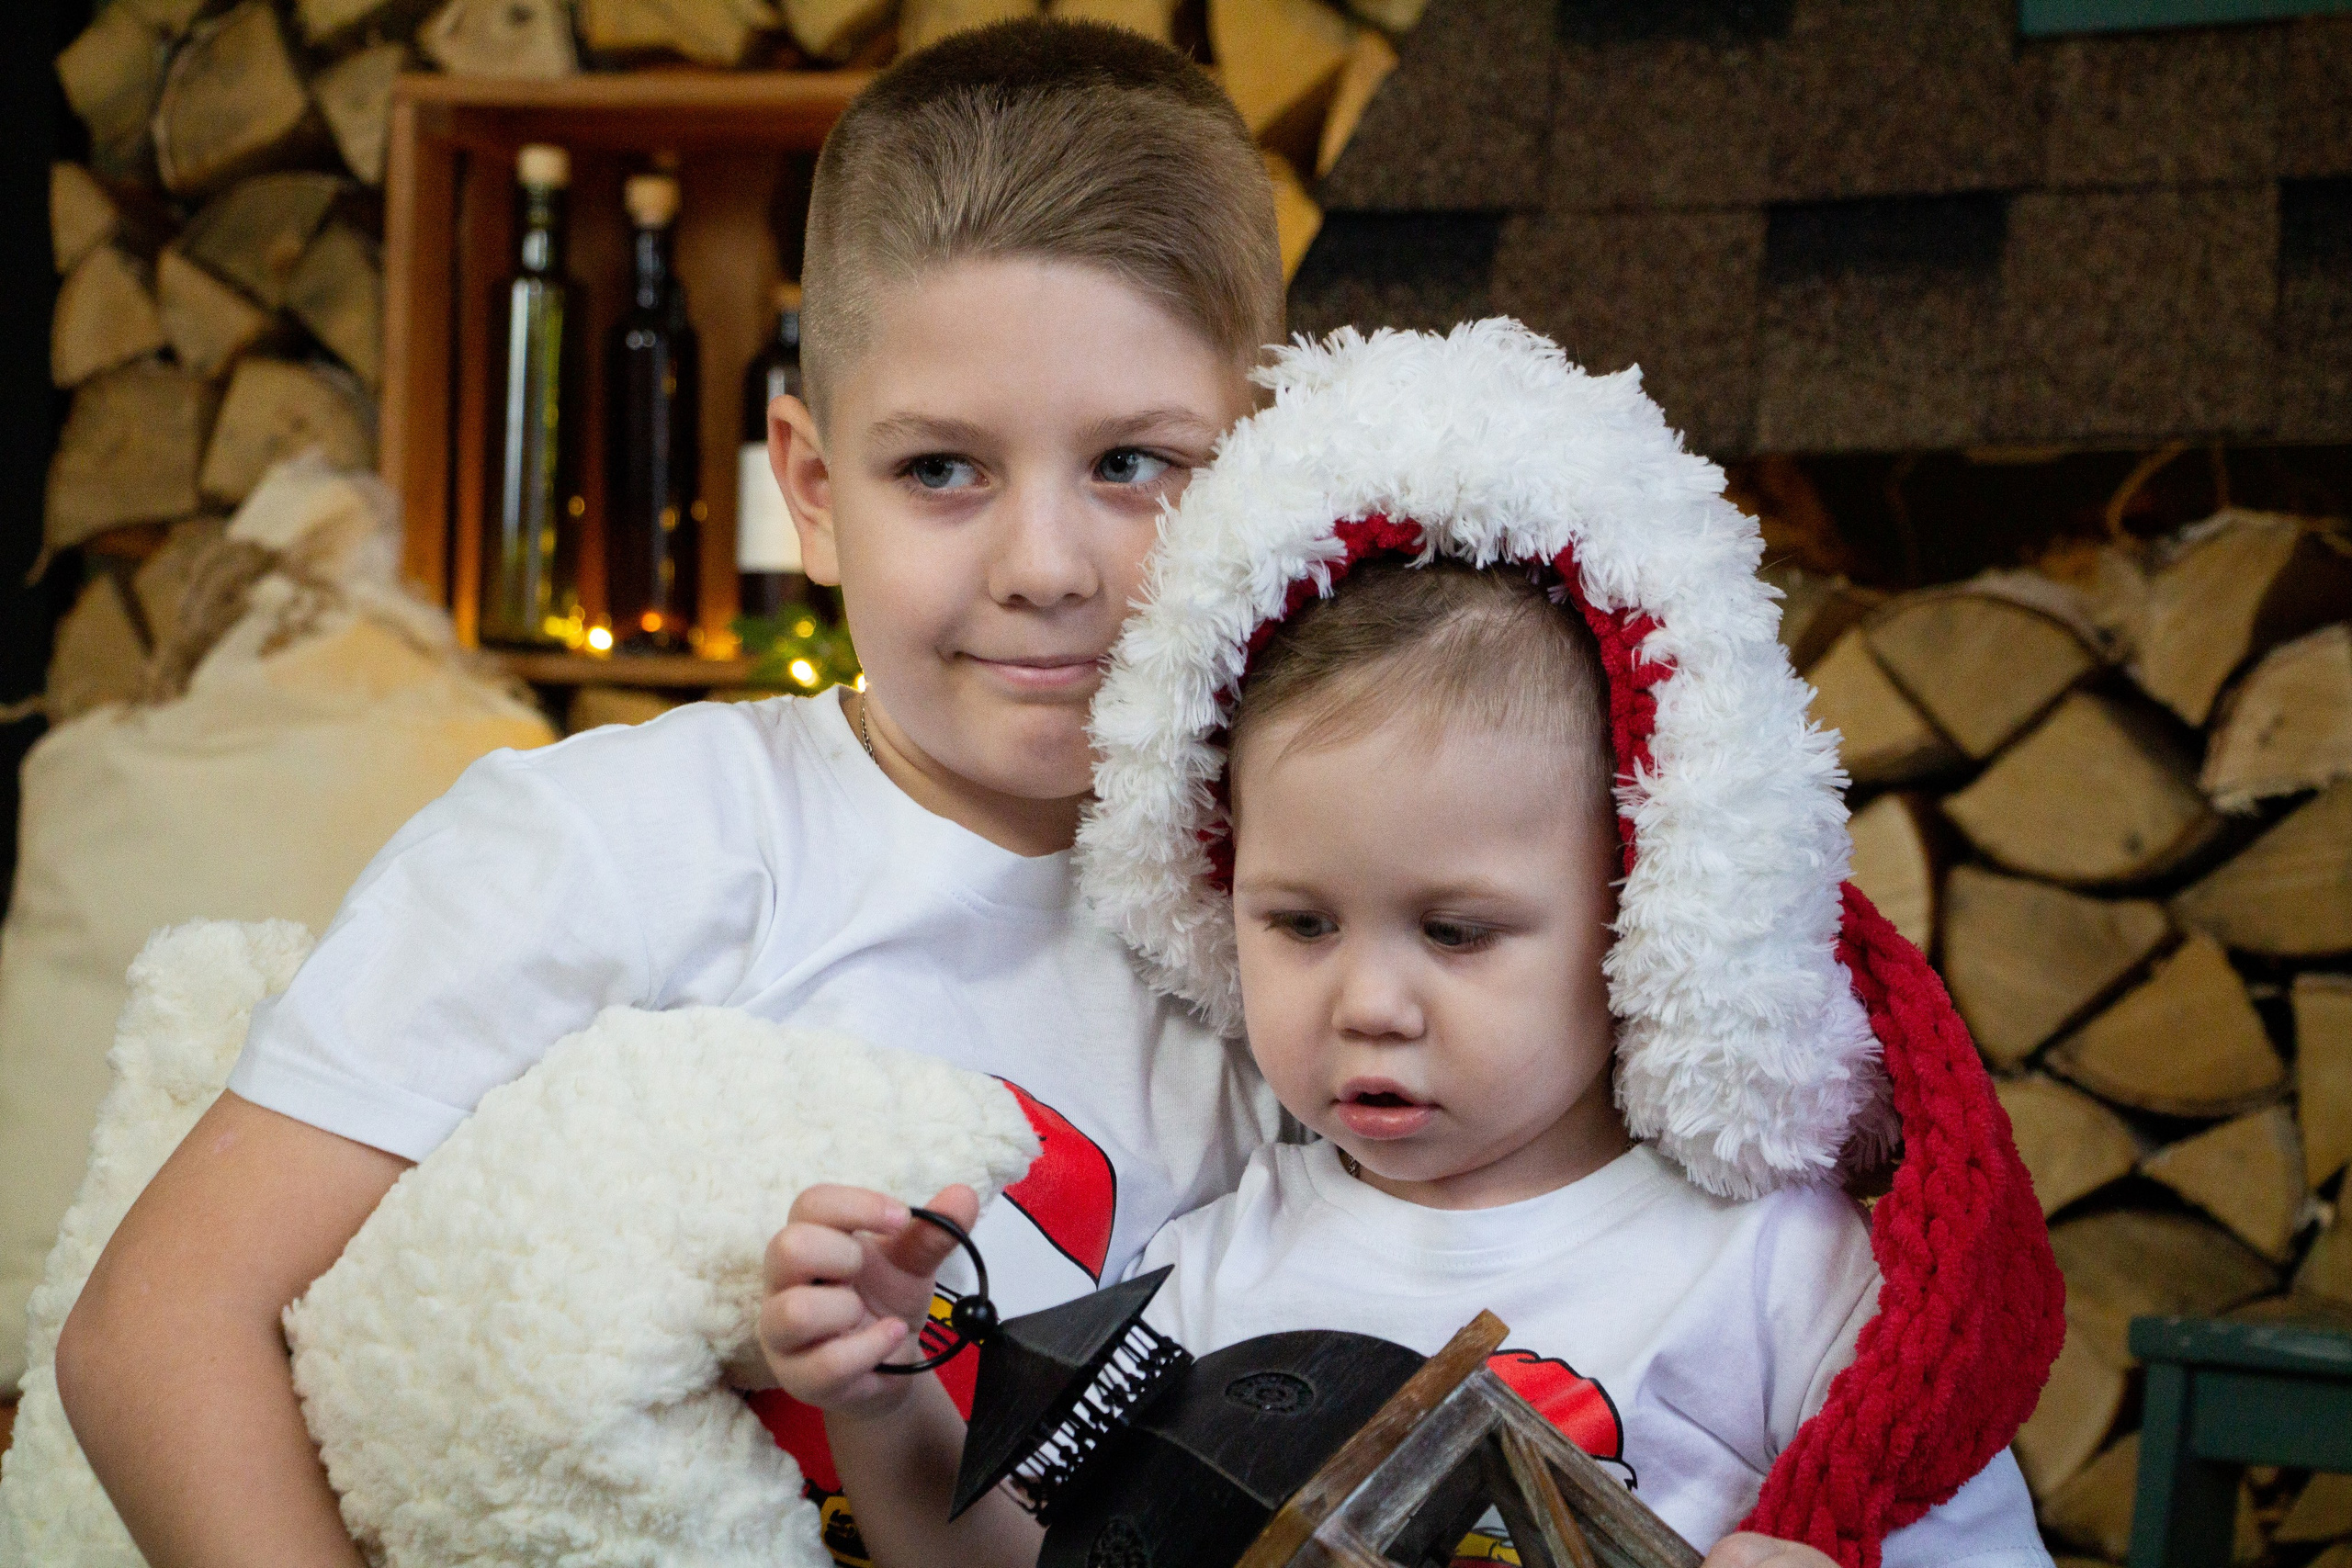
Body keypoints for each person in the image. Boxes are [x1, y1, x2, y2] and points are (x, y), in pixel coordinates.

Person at [53, 22, 1291, 1567]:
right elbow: (155, 1332)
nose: (1045, 568)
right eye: (940, 472)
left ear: (1266, 468)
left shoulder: (1307, 920)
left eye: (1133, 463)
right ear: (814, 487)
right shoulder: (617, 846)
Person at [761, 321, 2064, 1568]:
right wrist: (884, 1403)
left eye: (1457, 932)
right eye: (1300, 923)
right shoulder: (1214, 1277)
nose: (1369, 1002)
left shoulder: (1784, 1276)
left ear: (1643, 909)